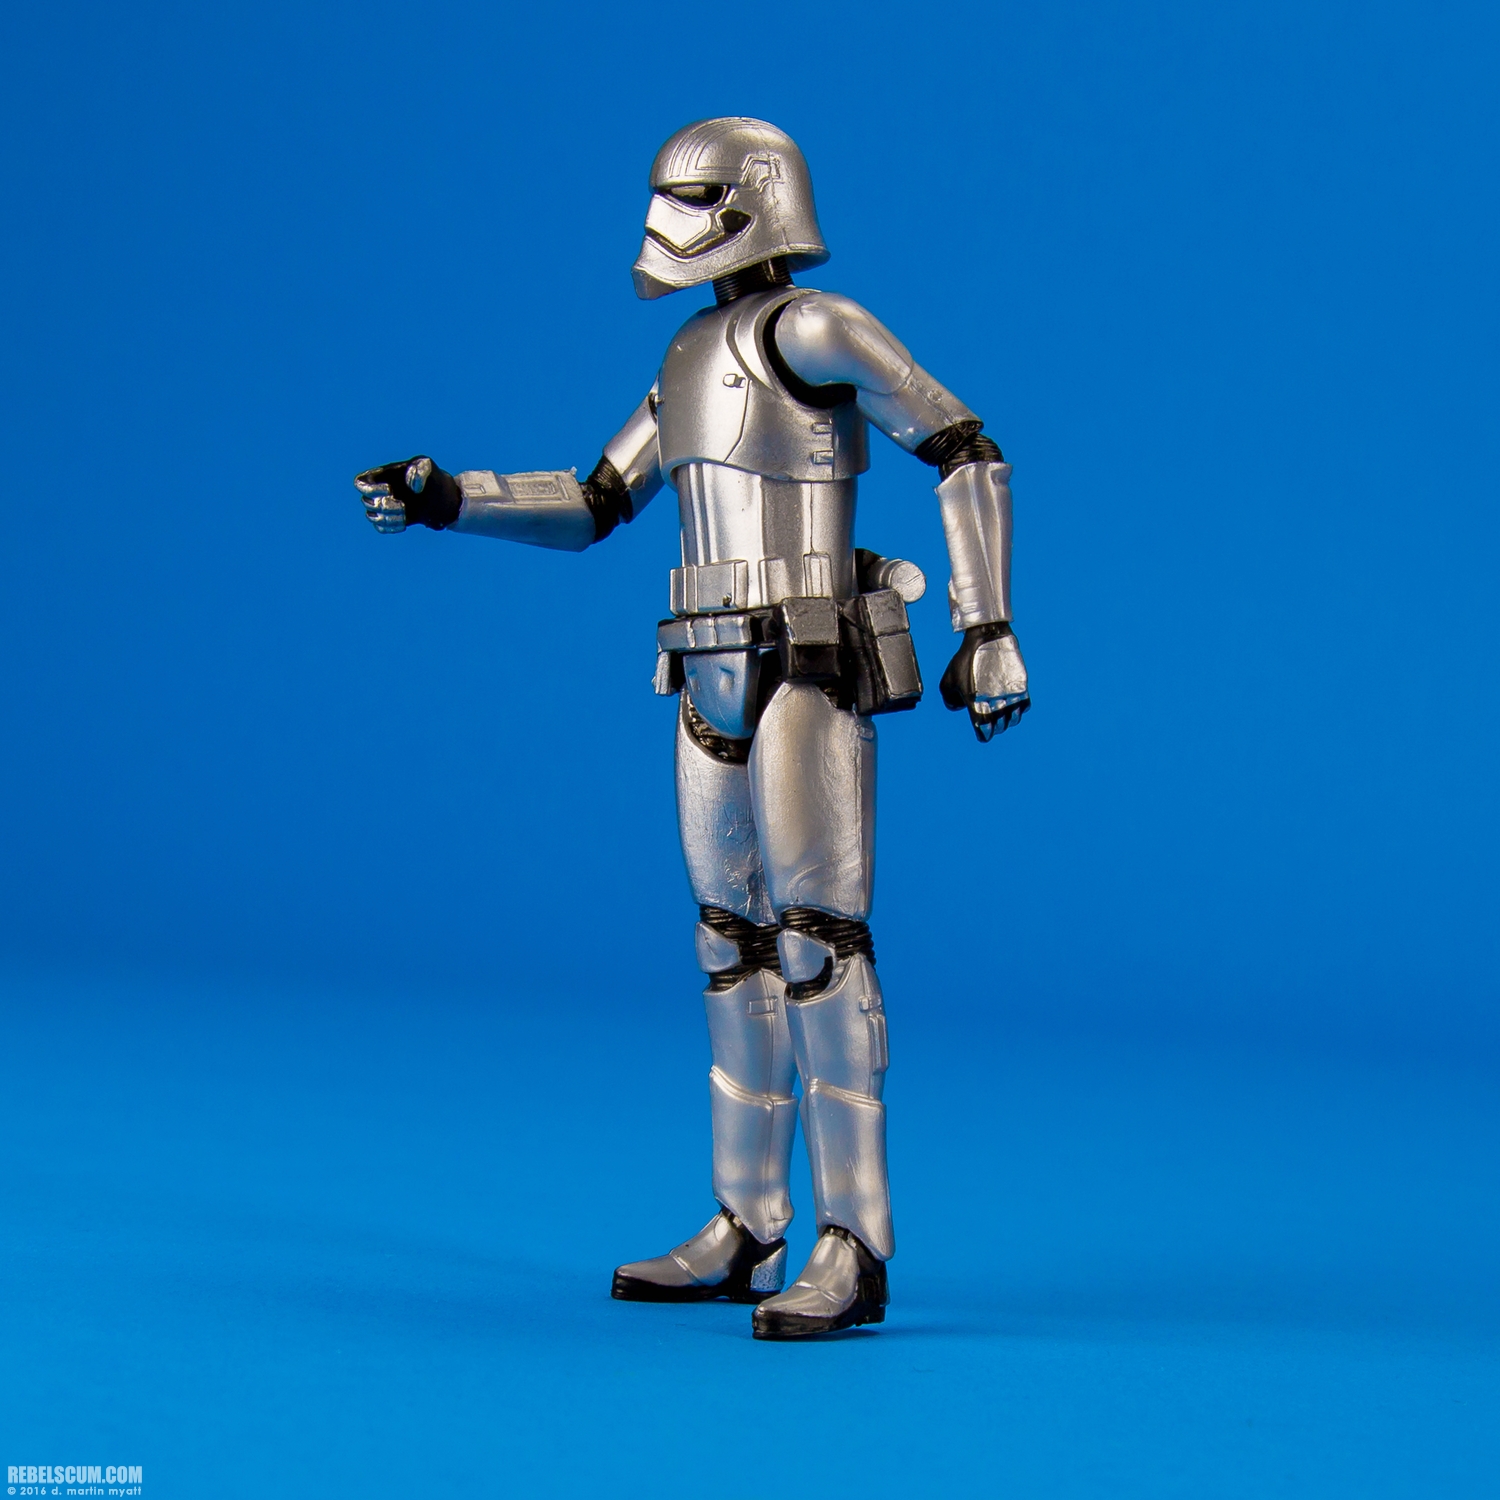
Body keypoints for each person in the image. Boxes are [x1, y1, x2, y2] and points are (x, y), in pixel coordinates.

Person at [354, 117, 1029, 1339]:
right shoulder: (683, 356)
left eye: (696, 196)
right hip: (704, 666)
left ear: (755, 199)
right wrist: (452, 498)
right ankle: (747, 1220)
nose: (670, 221)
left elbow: (962, 444)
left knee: (819, 941)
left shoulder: (818, 329)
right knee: (730, 943)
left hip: (807, 657)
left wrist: (987, 626)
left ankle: (854, 1241)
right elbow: (592, 500)